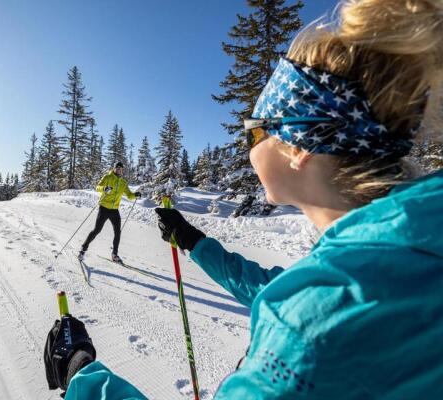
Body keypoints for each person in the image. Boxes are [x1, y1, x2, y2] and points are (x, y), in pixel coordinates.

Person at [46, 0, 443, 398]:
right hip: (106, 207)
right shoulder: (398, 257)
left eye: (256, 131)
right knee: (101, 227)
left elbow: (306, 306)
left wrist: (81, 375)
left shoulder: (310, 333)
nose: (249, 144)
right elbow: (289, 288)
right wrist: (194, 242)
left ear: (298, 145)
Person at [79, 161, 141, 263]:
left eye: (121, 169)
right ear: (114, 169)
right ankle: (83, 249)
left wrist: (135, 195)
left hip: (114, 210)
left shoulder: (123, 183)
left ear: (122, 171)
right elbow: (97, 187)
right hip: (104, 208)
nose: (119, 170)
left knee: (118, 232)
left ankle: (114, 254)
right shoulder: (107, 177)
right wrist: (104, 188)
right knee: (97, 230)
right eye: (117, 168)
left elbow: (129, 195)